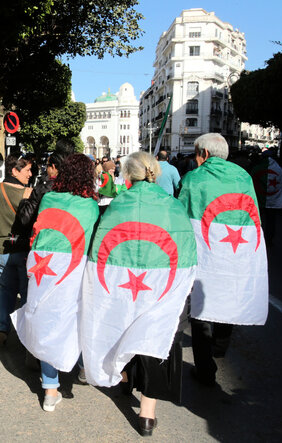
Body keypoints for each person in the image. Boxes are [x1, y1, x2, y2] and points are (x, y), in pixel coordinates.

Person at [81, 151, 197, 437]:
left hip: (122, 284)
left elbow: (101, 246)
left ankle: (122, 379)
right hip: (162, 284)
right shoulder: (173, 205)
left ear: (128, 175)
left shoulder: (118, 205)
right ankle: (147, 413)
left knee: (123, 327)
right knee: (155, 338)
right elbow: (187, 244)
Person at [178, 133, 268, 386]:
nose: (195, 159)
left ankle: (205, 368)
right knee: (229, 296)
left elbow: (182, 214)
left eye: (196, 154)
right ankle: (219, 347)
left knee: (201, 307)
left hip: (205, 251)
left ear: (204, 154)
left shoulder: (194, 178)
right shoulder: (243, 176)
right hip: (236, 249)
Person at [11, 153, 99, 412]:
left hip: (42, 267)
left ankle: (50, 388)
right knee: (78, 318)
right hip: (73, 269)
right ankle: (83, 368)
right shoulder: (91, 206)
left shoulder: (48, 198)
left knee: (47, 319)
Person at [0, 154, 33, 347]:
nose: (30, 174)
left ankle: (2, 328)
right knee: (25, 293)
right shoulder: (29, 193)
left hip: (0, 248)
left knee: (6, 291)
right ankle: (26, 335)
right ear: (15, 171)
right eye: (27, 170)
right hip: (21, 249)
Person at [17, 151, 65, 230]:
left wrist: (25, 201)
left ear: (53, 167)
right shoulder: (72, 188)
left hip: (44, 234)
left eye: (47, 166)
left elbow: (25, 219)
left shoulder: (42, 189)